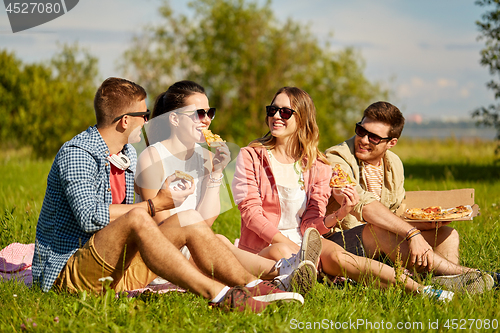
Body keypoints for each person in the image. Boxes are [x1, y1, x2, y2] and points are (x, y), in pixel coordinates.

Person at [31, 77, 305, 313]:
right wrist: (154, 204)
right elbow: (90, 218)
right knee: (139, 218)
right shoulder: (78, 153)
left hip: (117, 268)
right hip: (70, 273)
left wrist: (214, 173)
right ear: (125, 121)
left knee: (187, 218)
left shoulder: (126, 154)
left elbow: (198, 222)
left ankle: (254, 286)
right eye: (144, 115)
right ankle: (219, 294)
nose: (150, 120)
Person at [230, 87, 454, 301]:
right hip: (266, 246)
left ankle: (424, 291)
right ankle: (298, 277)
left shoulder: (317, 164)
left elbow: (311, 222)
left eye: (286, 111)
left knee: (340, 257)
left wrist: (341, 212)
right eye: (272, 110)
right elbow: (251, 214)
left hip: (306, 242)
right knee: (282, 250)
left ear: (303, 119)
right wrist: (296, 249)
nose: (277, 116)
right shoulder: (251, 156)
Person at [134, 80, 320, 294]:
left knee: (264, 247)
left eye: (208, 113)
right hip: (163, 254)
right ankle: (282, 273)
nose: (205, 120)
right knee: (219, 242)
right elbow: (161, 228)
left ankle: (282, 273)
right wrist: (204, 244)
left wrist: (216, 172)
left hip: (197, 245)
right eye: (197, 114)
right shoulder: (152, 158)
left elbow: (205, 222)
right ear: (174, 119)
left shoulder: (205, 157)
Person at [324, 101, 497, 294]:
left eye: (373, 137)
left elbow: (395, 212)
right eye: (361, 130)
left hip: (380, 244)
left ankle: (445, 282)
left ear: (391, 142)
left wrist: (425, 225)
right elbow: (362, 204)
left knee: (448, 235)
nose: (363, 140)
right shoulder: (336, 158)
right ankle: (472, 274)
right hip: (339, 242)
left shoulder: (394, 163)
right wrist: (412, 233)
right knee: (378, 230)